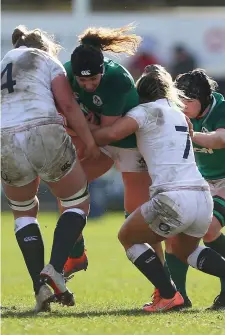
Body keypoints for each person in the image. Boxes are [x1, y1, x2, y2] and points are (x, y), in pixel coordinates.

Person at [89, 64, 225, 312]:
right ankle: (173, 294)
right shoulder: (179, 113)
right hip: (202, 196)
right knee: (187, 252)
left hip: (173, 198)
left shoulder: (143, 112)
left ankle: (168, 295)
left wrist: (82, 125)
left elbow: (107, 135)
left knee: (127, 237)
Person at [1, 25, 100, 312]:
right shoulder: (46, 59)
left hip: (4, 137)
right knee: (75, 203)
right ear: (45, 46)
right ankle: (55, 270)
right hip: (42, 130)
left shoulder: (2, 63)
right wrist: (90, 141)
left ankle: (39, 287)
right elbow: (68, 105)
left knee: (23, 213)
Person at [62, 24, 164, 277]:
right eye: (82, 81)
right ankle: (75, 255)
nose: (87, 86)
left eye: (93, 80)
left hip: (129, 144)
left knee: (139, 219)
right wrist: (79, 127)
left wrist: (77, 127)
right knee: (68, 189)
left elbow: (108, 132)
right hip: (98, 139)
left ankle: (165, 285)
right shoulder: (65, 74)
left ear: (103, 70)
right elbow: (66, 117)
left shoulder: (117, 78)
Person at [164, 69, 225, 310]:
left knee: (209, 230)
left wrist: (189, 133)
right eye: (180, 101)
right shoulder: (177, 111)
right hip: (202, 181)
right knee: (172, 233)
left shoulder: (220, 108)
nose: (183, 106)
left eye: (189, 101)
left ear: (205, 98)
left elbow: (219, 140)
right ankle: (176, 296)